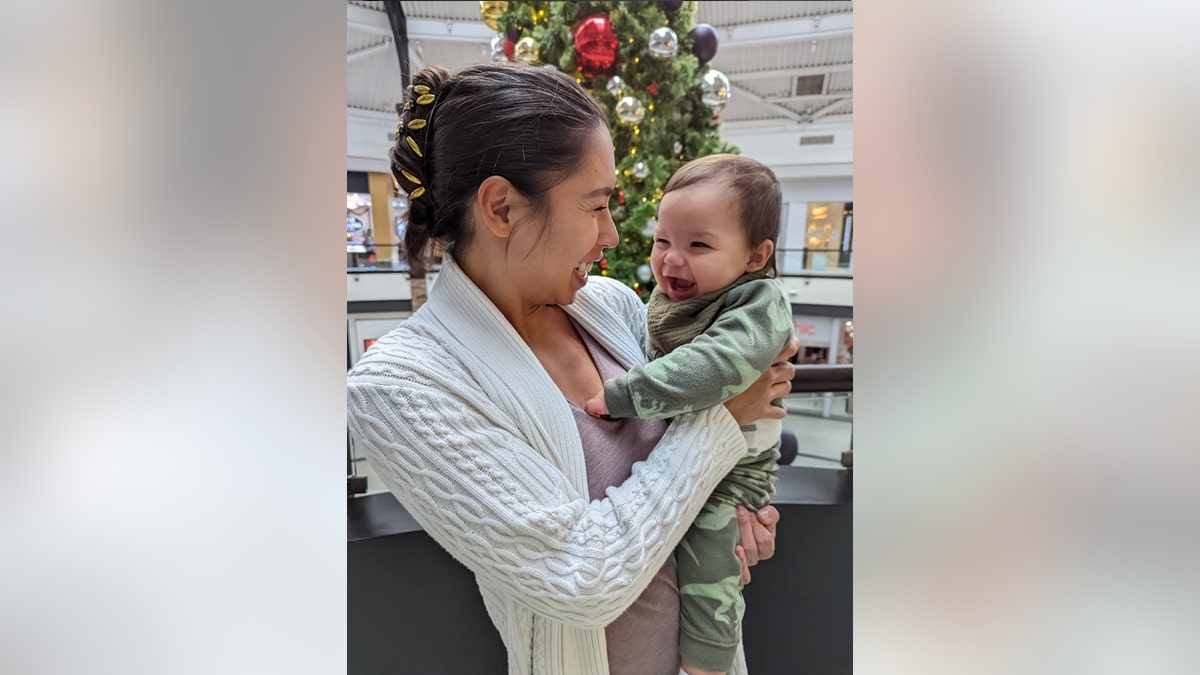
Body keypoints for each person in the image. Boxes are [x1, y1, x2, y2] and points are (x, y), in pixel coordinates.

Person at [345, 62, 797, 675]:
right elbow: (580, 578)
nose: (612, 234)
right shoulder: (403, 385)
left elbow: (690, 477)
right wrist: (720, 420)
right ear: (501, 207)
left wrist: (735, 520)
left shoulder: (611, 306)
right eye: (595, 206)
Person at [584, 154, 793, 675]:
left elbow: (710, 368)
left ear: (755, 255)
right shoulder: (676, 296)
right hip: (694, 455)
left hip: (734, 472)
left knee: (711, 563)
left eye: (698, 244)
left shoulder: (759, 304)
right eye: (662, 241)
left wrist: (621, 397)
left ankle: (708, 665)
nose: (672, 260)